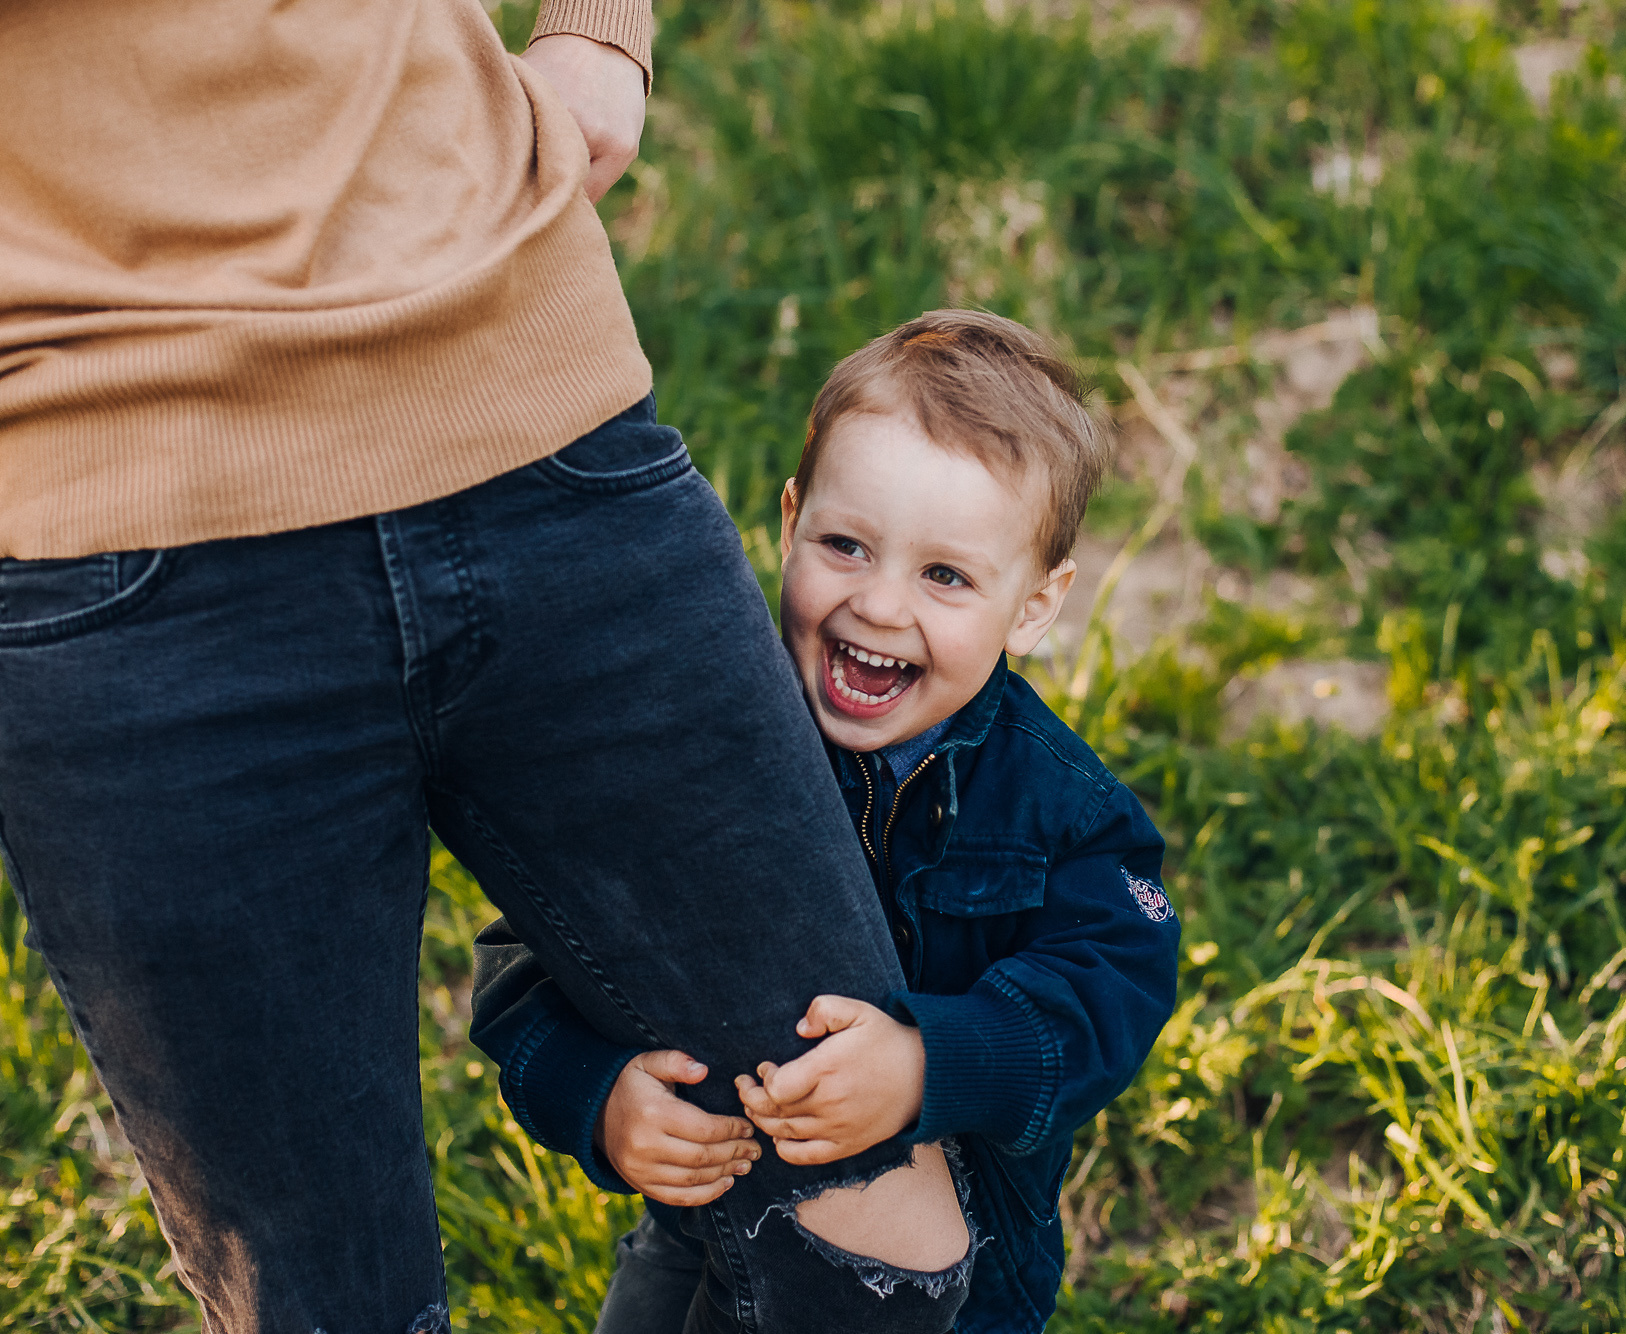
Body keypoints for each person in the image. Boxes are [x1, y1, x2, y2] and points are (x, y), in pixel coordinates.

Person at [0, 3, 967, 1330]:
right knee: (331, 1302)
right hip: (106, 527)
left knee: (871, 1225)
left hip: (535, 412)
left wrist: (599, 32)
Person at [470, 310, 1183, 1333]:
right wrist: (598, 1094)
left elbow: (1113, 987)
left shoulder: (1057, 807)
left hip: (957, 1267)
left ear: (1035, 603)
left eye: (944, 575)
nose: (881, 606)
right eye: (846, 546)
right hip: (702, 1219)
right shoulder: (695, 741)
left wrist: (931, 1062)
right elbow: (533, 946)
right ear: (790, 518)